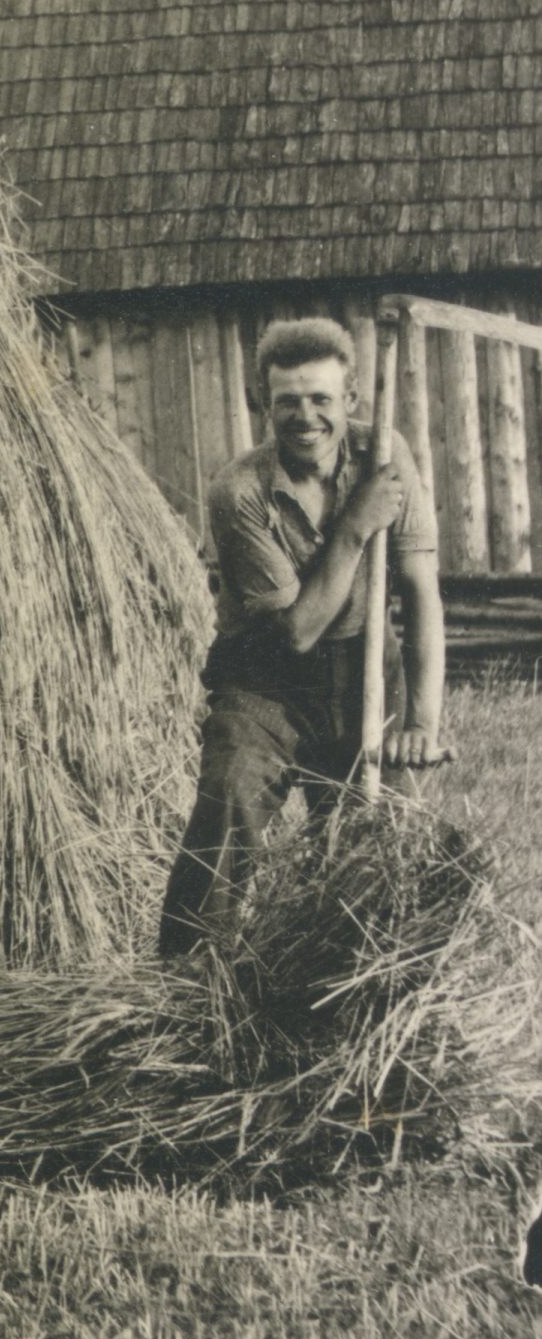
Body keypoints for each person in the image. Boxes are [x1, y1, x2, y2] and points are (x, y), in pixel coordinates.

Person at [156, 318, 449, 956]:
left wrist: (421, 723)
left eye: (320, 398)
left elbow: (423, 597)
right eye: (287, 400)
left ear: (350, 402)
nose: (304, 416)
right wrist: (352, 528)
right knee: (229, 804)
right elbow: (296, 632)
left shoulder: (385, 456)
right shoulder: (240, 492)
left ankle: (360, 982)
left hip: (366, 668)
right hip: (266, 682)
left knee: (379, 841)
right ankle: (185, 987)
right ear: (264, 404)